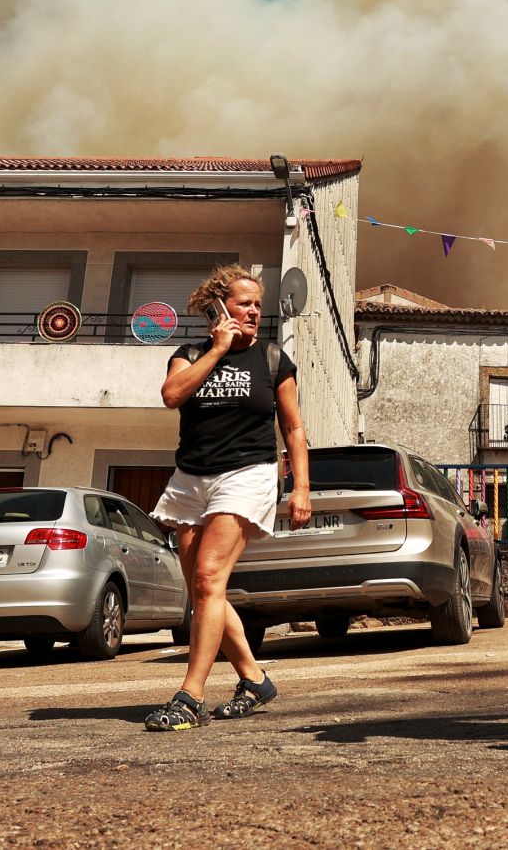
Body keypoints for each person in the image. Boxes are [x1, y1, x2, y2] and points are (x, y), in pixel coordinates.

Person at [144, 265, 310, 730]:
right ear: (219, 308)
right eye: (244, 303)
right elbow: (172, 396)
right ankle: (254, 679)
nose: (254, 311)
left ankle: (190, 697)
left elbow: (293, 428)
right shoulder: (190, 354)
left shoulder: (273, 359)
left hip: (247, 474)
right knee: (204, 591)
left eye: (258, 304)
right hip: (191, 478)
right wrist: (217, 349)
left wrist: (300, 487)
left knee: (208, 578)